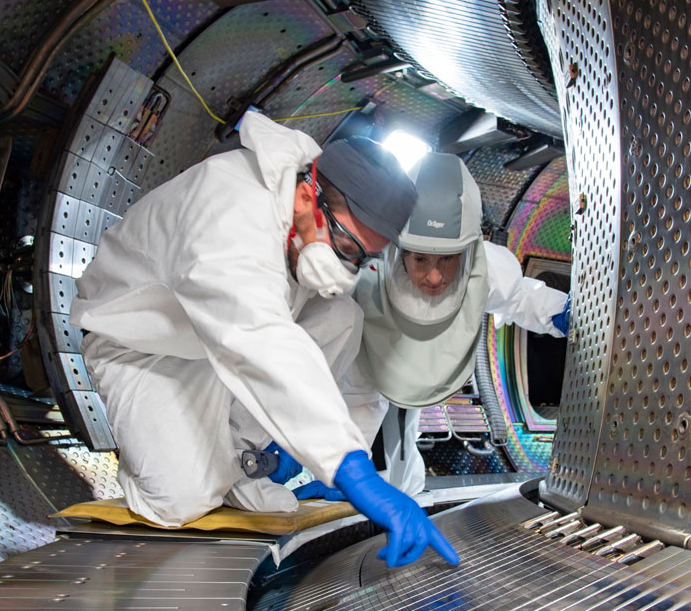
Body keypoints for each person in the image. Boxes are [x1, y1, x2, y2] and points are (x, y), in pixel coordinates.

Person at [70, 110, 459, 569]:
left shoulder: (301, 213)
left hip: (220, 345)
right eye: (347, 248)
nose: (346, 266)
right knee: (179, 500)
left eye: (363, 257)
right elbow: (264, 341)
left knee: (342, 317)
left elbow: (286, 343)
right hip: (145, 348)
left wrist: (337, 450)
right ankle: (193, 462)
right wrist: (351, 468)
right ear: (305, 195)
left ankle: (240, 457)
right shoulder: (228, 210)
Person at [342, 150, 570, 495]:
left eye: (448, 259)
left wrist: (568, 313)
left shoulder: (483, 269)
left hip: (417, 381)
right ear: (399, 249)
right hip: (365, 369)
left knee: (402, 462)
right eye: (420, 259)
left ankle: (401, 492)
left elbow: (520, 297)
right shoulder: (368, 269)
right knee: (360, 453)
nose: (434, 276)